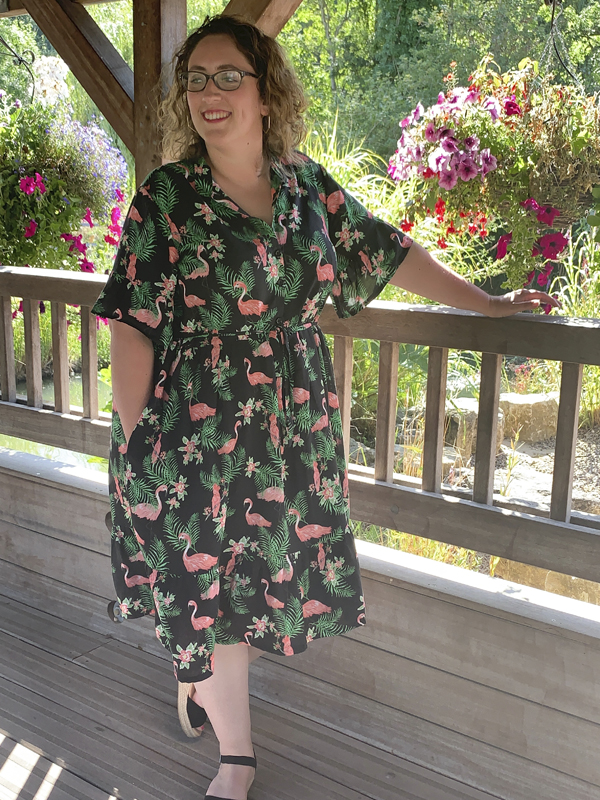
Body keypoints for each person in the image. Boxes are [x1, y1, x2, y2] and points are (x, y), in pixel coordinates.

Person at [91, 14, 558, 800]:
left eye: (228, 76)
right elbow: (133, 322)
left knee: (249, 577)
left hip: (288, 421)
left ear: (265, 92)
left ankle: (198, 672)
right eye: (196, 79)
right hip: (193, 423)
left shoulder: (305, 186)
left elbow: (386, 251)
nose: (209, 93)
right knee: (213, 582)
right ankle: (236, 755)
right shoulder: (167, 197)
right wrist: (138, 442)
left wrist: (485, 303)